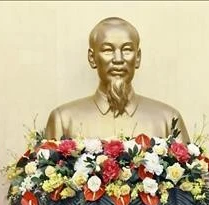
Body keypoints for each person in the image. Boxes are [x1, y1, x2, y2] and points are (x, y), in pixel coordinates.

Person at [45, 17, 190, 141]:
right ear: (92, 58)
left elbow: (193, 173)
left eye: (127, 50)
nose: (118, 59)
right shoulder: (63, 120)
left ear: (137, 57)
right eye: (108, 50)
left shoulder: (168, 119)